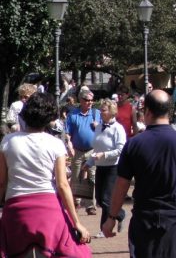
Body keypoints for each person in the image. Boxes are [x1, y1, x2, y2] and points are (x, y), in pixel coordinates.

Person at [101, 90, 176, 257]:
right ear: (170, 111)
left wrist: (111, 217)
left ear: (147, 112)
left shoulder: (134, 144)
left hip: (145, 220)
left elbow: (121, 185)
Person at [0, 92, 91, 256]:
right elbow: (62, 185)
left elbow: (2, 182)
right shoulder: (55, 144)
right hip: (49, 210)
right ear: (49, 118)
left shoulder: (8, 141)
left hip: (16, 209)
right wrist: (77, 222)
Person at [85, 99, 127, 236]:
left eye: (103, 110)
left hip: (113, 167)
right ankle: (119, 215)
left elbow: (121, 150)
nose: (101, 112)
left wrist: (104, 154)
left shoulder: (118, 128)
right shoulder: (98, 127)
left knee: (105, 198)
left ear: (111, 111)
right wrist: (89, 163)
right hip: (100, 167)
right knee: (99, 197)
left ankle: (106, 226)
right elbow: (96, 147)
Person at [66, 86, 101, 215]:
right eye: (87, 100)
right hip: (77, 150)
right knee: (76, 177)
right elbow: (68, 132)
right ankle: (75, 202)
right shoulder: (73, 114)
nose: (90, 102)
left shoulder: (96, 114)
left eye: (91, 100)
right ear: (80, 100)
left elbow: (104, 130)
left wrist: (99, 127)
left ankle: (91, 205)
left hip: (92, 150)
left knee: (92, 177)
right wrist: (69, 144)